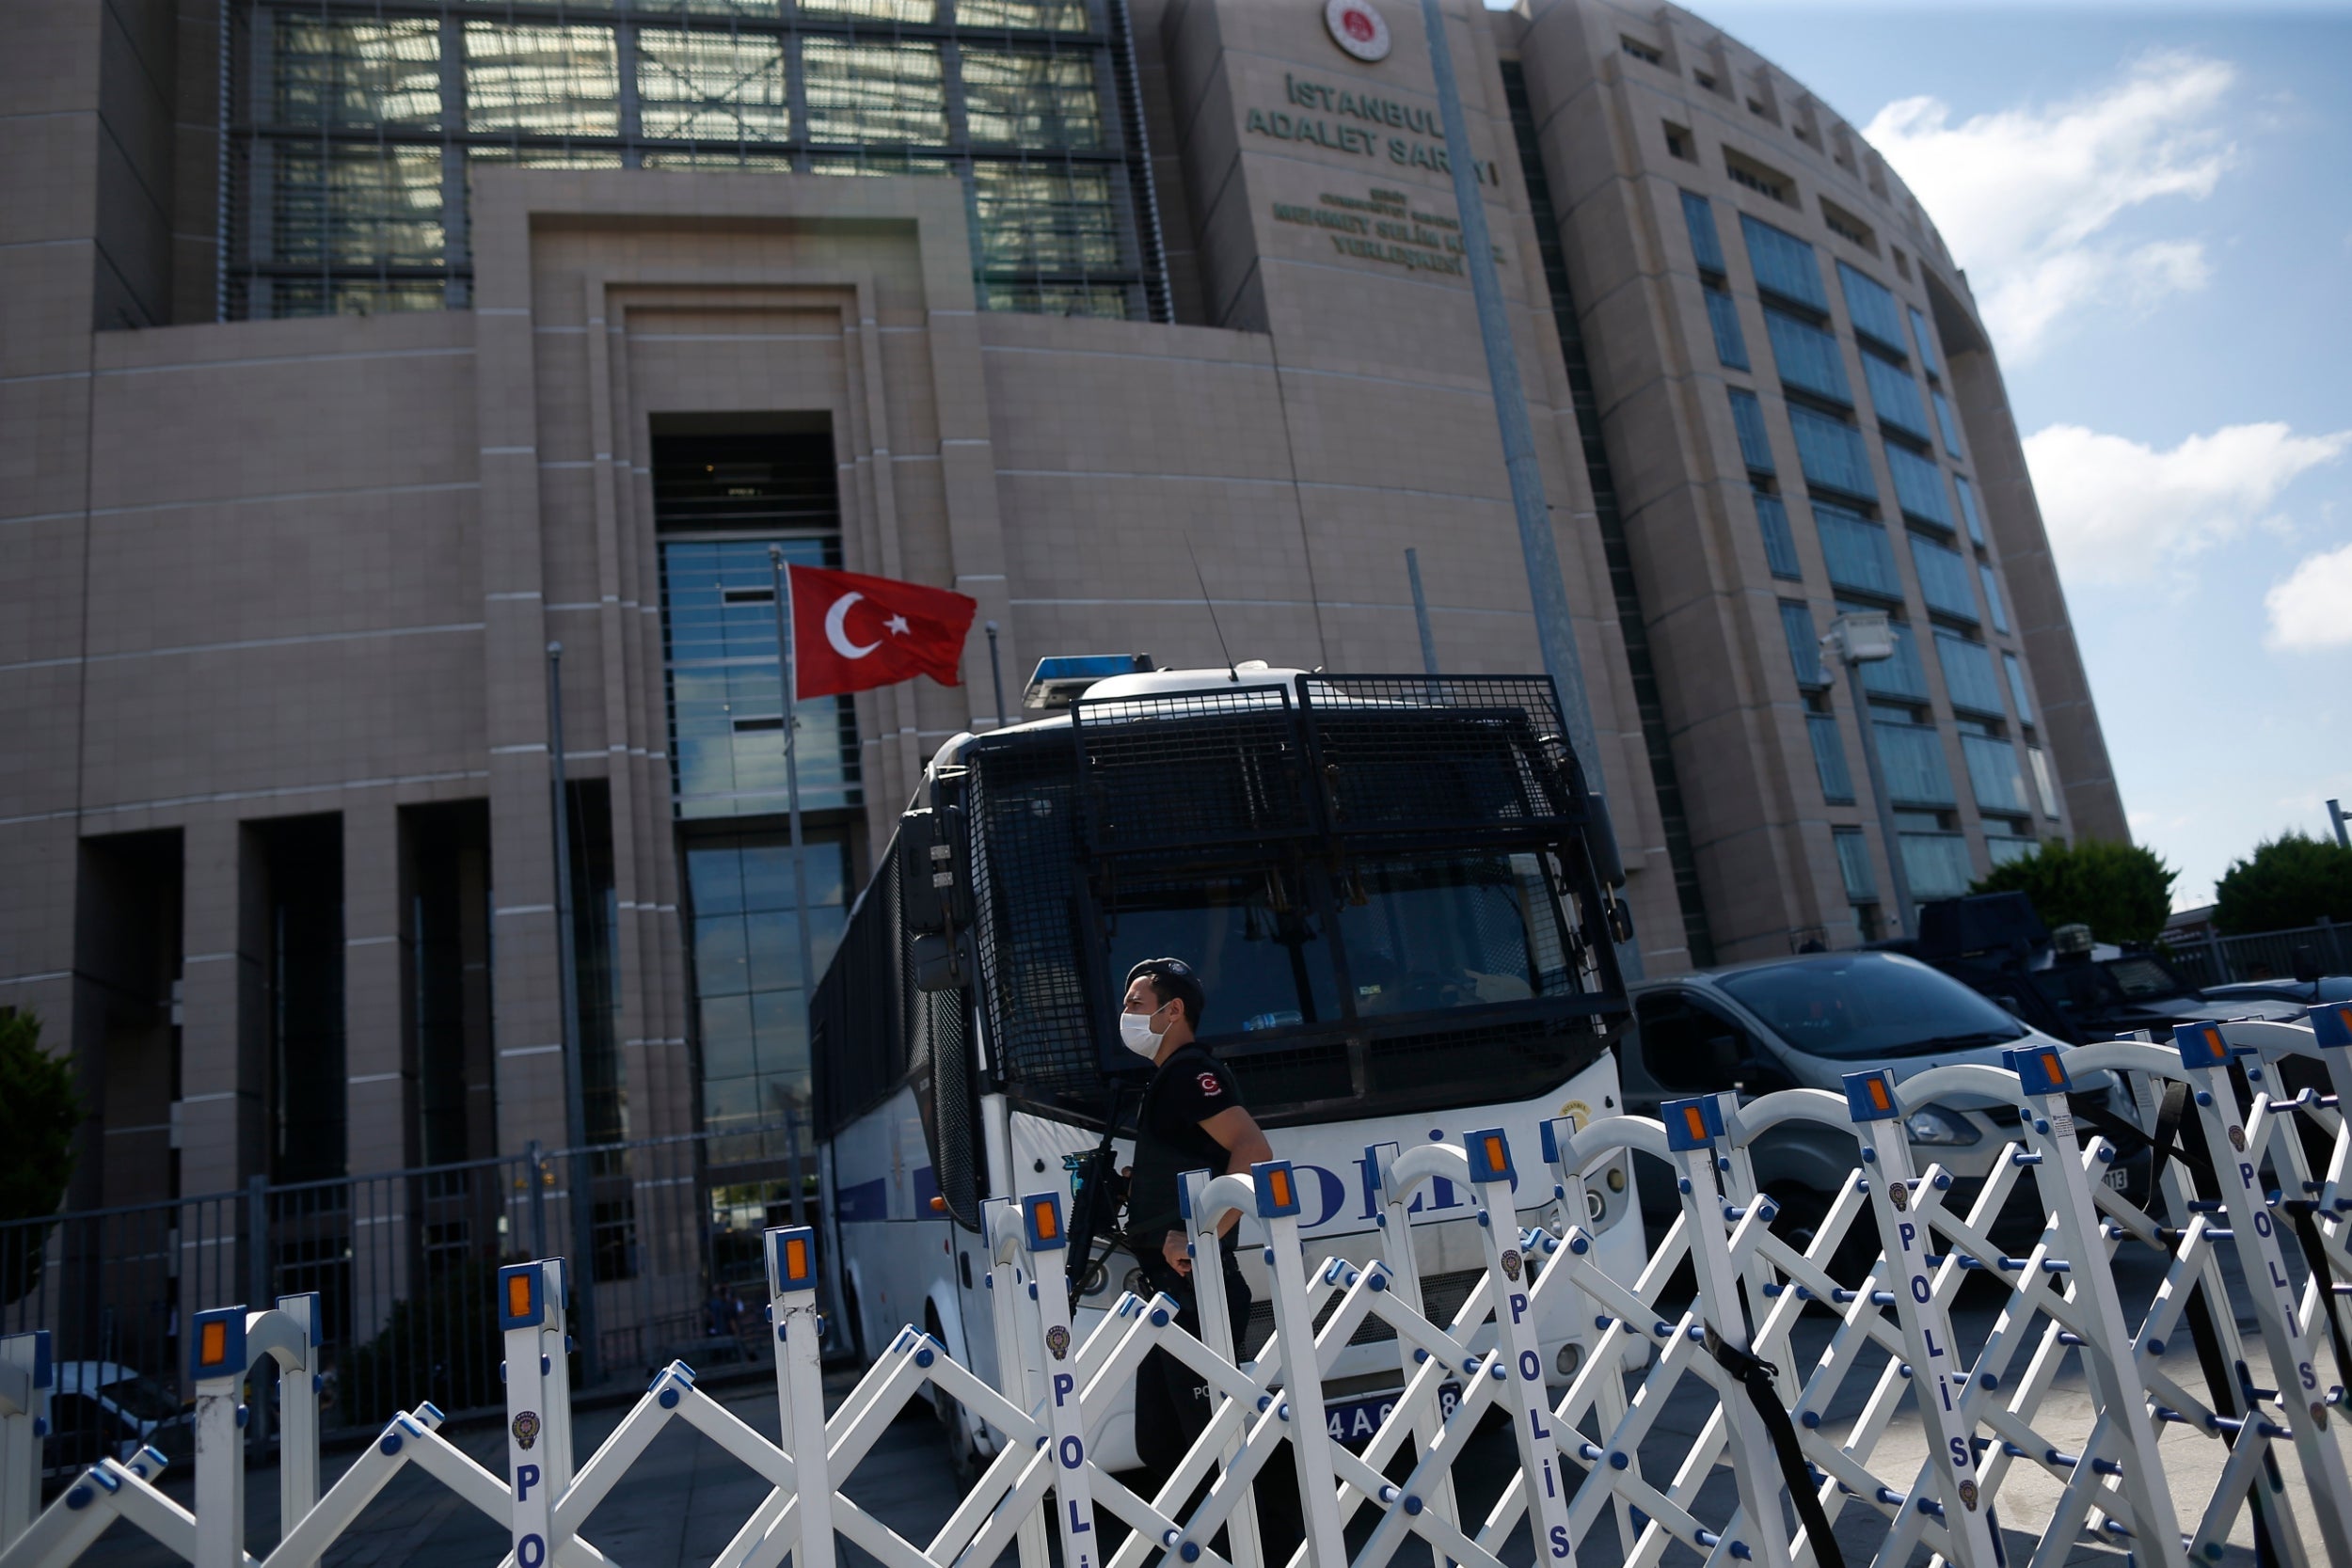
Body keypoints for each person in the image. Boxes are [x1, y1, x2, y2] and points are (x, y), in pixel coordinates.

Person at [1116, 958, 1280, 1516]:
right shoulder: (1168, 1078)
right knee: (1163, 1445)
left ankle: (1261, 1546)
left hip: (1197, 1288)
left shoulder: (1190, 1073)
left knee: (1212, 1449)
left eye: (1136, 1004)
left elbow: (1253, 1151)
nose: (1126, 1015)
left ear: (1173, 1010)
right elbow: (1201, 1157)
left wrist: (1199, 1235)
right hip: (1165, 1291)